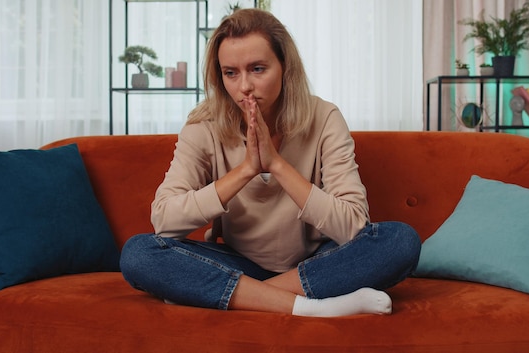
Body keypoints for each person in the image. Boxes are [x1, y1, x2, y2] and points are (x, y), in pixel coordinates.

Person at [120, 8, 421, 318]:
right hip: (238, 263)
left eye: (258, 69)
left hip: (314, 262)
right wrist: (246, 170)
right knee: (139, 254)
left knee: (400, 241)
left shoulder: (325, 118)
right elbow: (164, 222)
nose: (244, 86)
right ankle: (313, 307)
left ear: (285, 67)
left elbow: (353, 227)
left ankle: (233, 295)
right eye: (231, 73)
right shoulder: (203, 125)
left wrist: (277, 164)